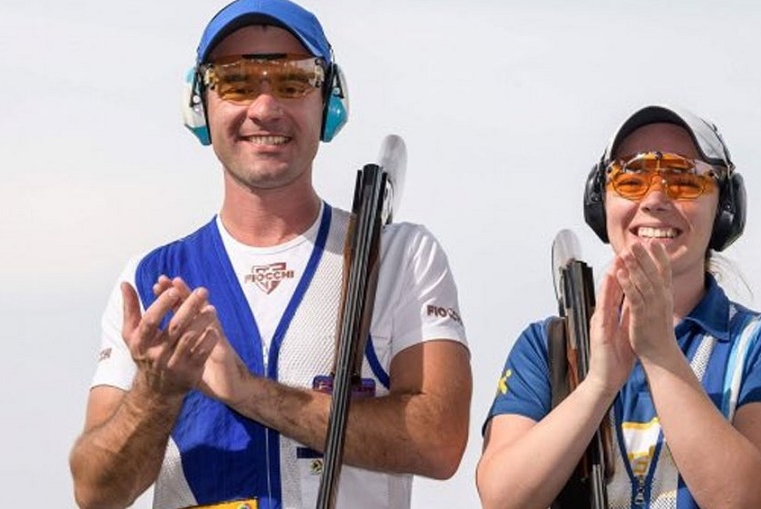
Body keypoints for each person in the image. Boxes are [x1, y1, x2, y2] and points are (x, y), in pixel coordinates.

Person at [69, 1, 472, 508]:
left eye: (292, 82)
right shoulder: (150, 280)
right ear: (201, 105)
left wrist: (246, 391)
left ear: (329, 103)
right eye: (236, 82)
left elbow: (439, 440)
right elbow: (95, 492)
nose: (264, 108)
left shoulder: (396, 257)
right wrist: (157, 390)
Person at [476, 105, 761, 509]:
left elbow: (742, 500)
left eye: (684, 179)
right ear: (599, 204)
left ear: (726, 210)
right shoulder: (546, 344)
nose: (655, 198)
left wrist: (660, 357)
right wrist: (599, 385)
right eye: (631, 178)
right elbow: (503, 498)